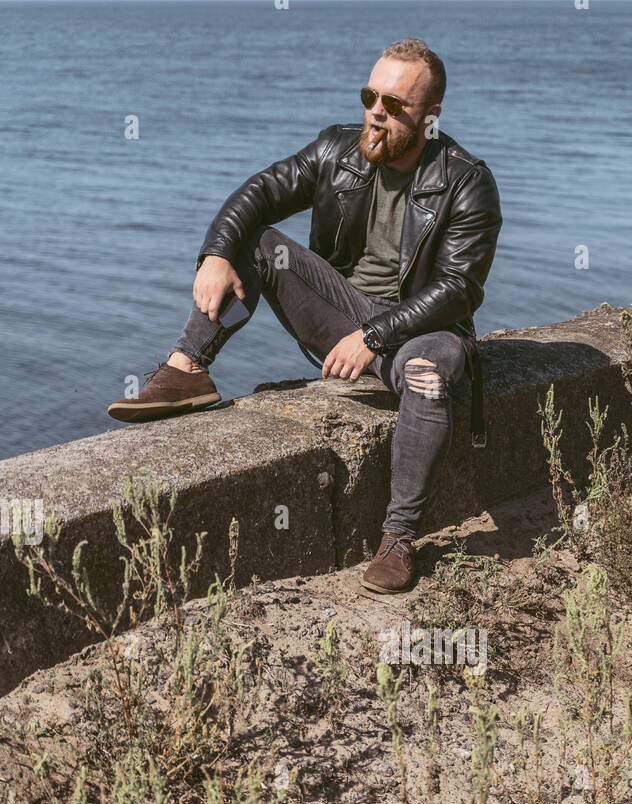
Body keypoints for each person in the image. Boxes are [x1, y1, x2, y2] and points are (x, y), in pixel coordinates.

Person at [108, 37, 502, 593]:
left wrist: (376, 333)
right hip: (344, 320)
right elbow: (259, 193)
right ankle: (186, 368)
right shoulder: (337, 150)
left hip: (419, 335)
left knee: (428, 369)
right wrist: (217, 253)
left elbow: (459, 289)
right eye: (371, 96)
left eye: (395, 106)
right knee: (263, 242)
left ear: (430, 115)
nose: (376, 113)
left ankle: (399, 539)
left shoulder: (466, 181)